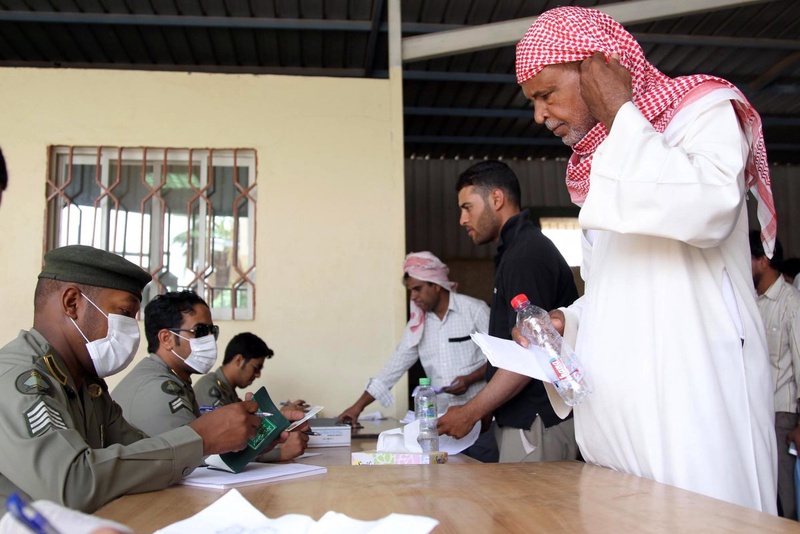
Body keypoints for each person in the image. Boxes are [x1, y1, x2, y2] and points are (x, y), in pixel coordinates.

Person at [512, 6, 777, 512]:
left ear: (595, 67)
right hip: (619, 429)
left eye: (546, 94)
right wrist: (567, 320)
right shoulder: (608, 169)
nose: (539, 116)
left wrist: (620, 113)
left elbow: (707, 209)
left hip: (692, 412)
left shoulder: (704, 111)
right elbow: (620, 289)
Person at [0, 245, 275, 514]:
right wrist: (201, 438)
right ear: (72, 303)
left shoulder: (88, 385)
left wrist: (244, 439)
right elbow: (72, 485)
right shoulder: (20, 380)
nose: (132, 329)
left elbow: (143, 455)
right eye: (124, 313)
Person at [437, 161, 579, 463]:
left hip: (537, 421)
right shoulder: (515, 251)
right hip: (522, 419)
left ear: (496, 199)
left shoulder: (525, 255)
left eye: (467, 207)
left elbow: (531, 352)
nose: (462, 219)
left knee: (532, 511)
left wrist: (471, 411)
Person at [337, 251, 496, 461]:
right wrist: (357, 407)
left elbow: (501, 360)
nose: (413, 297)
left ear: (436, 285)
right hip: (442, 427)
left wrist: (470, 379)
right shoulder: (417, 325)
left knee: (484, 482)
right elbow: (393, 368)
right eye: (411, 291)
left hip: (479, 423)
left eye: (418, 289)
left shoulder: (474, 310)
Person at [112, 292, 309, 460]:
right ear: (166, 339)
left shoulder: (174, 380)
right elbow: (197, 458)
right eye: (200, 331)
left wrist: (269, 426)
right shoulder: (157, 388)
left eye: (211, 332)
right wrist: (277, 452)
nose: (208, 340)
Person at [195, 332, 309, 461]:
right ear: (239, 360)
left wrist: (278, 417)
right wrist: (278, 452)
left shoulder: (227, 391)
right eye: (256, 368)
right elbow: (223, 447)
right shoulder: (209, 389)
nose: (258, 374)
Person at [750, 231, 800, 518]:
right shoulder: (751, 303)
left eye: (749, 257)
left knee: (787, 500)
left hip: (783, 415)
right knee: (766, 497)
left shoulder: (791, 303)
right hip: (757, 412)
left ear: (764, 260)